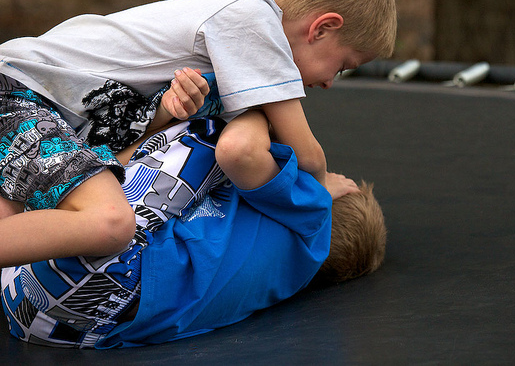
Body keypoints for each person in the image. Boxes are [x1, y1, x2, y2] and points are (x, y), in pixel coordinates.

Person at [0, 0, 397, 267]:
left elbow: (122, 137)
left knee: (19, 231)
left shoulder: (229, 70)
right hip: (20, 89)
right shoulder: (251, 15)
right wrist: (320, 185)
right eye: (342, 66)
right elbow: (304, 150)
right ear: (323, 28)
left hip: (48, 112)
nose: (329, 83)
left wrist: (168, 111)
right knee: (110, 222)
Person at [1, 111, 387, 348]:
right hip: (47, 319)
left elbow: (239, 149)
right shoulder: (288, 272)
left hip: (113, 271)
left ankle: (64, 173)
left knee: (210, 130)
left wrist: (257, 102)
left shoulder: (313, 217)